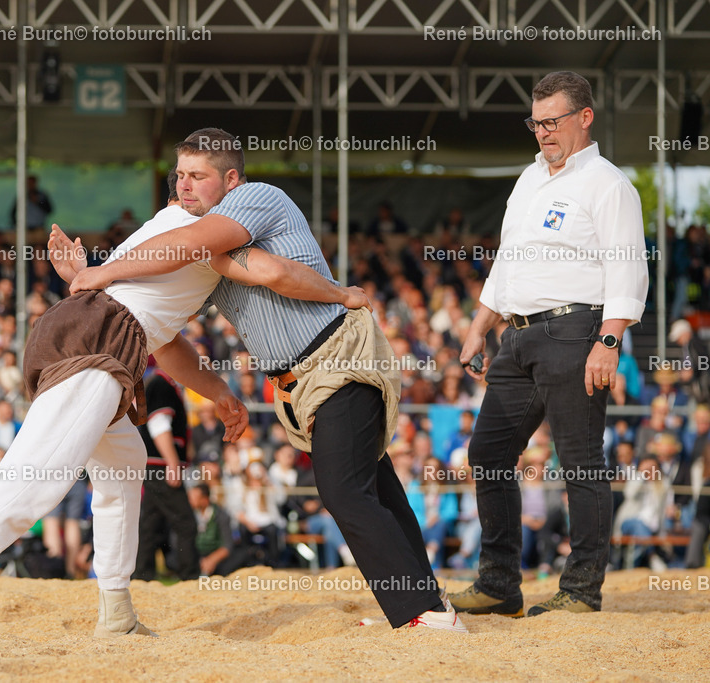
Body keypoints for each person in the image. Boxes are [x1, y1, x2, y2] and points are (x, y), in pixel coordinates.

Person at [0, 172, 369, 638]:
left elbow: (163, 342)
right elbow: (274, 273)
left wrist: (220, 392)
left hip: (96, 335)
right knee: (35, 476)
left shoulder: (162, 236)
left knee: (123, 462)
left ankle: (117, 611)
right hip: (99, 344)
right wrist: (342, 293)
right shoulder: (193, 232)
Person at [70, 128, 464, 632]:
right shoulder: (207, 252)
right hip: (303, 379)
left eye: (198, 176)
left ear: (230, 179)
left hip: (339, 358)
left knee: (343, 489)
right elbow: (163, 336)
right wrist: (216, 391)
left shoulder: (254, 198)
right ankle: (426, 604)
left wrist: (102, 272)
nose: (184, 185)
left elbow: (237, 258)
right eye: (180, 176)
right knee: (374, 487)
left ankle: (423, 612)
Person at [453, 71, 649, 617]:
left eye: (552, 121)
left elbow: (628, 267)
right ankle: (498, 584)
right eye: (535, 122)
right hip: (516, 334)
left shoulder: (609, 184)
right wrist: (478, 326)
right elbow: (508, 259)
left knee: (580, 461)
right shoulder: (528, 179)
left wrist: (609, 339)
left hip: (576, 330)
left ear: (584, 118)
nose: (542, 132)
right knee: (489, 453)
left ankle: (582, 590)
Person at [133, 368, 200, 582]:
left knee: (149, 524)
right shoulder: (162, 385)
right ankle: (189, 576)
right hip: (161, 465)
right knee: (185, 522)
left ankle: (142, 576)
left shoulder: (161, 384)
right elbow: (158, 425)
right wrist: (172, 462)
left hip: (155, 465)